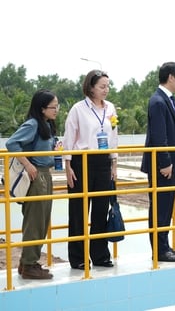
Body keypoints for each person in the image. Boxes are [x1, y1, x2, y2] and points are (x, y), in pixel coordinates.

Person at [63, 70, 119, 269]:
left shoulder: (110, 107)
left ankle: (100, 255)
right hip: (82, 161)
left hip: (103, 162)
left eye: (108, 86)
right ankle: (78, 258)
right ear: (91, 87)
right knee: (79, 211)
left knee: (101, 209)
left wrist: (114, 163)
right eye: (102, 86)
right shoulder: (78, 109)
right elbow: (69, 138)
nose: (106, 90)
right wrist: (68, 165)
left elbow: (113, 137)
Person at [6, 89, 59, 279]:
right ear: (42, 108)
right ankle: (29, 265)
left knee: (42, 221)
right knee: (35, 222)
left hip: (45, 174)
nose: (56, 110)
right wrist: (28, 164)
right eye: (53, 107)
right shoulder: (33, 124)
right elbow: (12, 143)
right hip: (36, 176)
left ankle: (27, 263)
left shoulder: (46, 125)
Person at [140, 62, 175, 262]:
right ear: (171, 77)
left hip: (170, 163)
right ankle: (159, 250)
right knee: (160, 206)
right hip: (163, 164)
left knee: (166, 206)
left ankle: (164, 245)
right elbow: (159, 136)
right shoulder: (158, 101)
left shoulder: (167, 100)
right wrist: (165, 162)